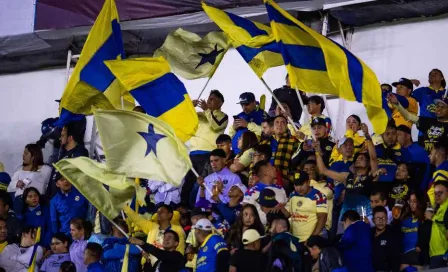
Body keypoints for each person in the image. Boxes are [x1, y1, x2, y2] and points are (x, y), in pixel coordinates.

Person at [315, 124, 380, 221]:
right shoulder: (347, 177)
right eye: (357, 158)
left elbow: (373, 158)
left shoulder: (371, 176)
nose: (358, 159)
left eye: (362, 158)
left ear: (368, 163)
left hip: (363, 212)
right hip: (345, 213)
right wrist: (317, 152)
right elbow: (324, 170)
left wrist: (367, 135)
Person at [183, 91, 229, 206]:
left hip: (208, 155)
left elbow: (216, 126)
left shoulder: (222, 116)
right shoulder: (199, 114)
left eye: (213, 99)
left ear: (220, 103)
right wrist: (190, 108)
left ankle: (204, 207)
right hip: (192, 153)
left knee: (202, 184)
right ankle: (185, 209)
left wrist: (207, 111)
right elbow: (183, 123)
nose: (209, 101)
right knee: (188, 183)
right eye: (209, 98)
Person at [47, 121, 89, 197]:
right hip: (55, 201)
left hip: (68, 202)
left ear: (70, 138)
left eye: (62, 136)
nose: (60, 138)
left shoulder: (80, 152)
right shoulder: (62, 155)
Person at [7, 144, 52, 214]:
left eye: (26, 153)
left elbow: (51, 188)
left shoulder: (46, 170)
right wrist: (16, 183)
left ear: (33, 156)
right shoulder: (19, 170)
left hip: (38, 200)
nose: (23, 155)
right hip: (21, 200)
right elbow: (9, 188)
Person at [285, 171, 328, 241]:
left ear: (308, 182)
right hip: (294, 239)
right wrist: (278, 206)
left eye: (301, 184)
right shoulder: (292, 195)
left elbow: (322, 218)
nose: (298, 188)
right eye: (296, 185)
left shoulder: (318, 196)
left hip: (310, 240)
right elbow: (287, 214)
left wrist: (312, 238)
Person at [260, 115, 300, 191]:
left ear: (286, 126)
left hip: (284, 183)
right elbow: (255, 162)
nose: (279, 124)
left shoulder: (294, 142)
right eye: (277, 122)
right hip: (263, 182)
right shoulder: (264, 143)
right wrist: (253, 176)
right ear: (273, 127)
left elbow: (297, 164)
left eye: (283, 122)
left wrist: (290, 180)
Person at [243, 161, 288, 225]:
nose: (275, 169)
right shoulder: (251, 192)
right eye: (272, 167)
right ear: (265, 172)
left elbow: (287, 209)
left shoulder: (280, 189)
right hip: (260, 230)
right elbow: (245, 214)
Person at [398, 192, 431, 270]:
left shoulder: (426, 218)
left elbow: (428, 237)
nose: (412, 204)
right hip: (404, 259)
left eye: (415, 201)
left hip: (420, 259)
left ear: (420, 202)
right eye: (410, 201)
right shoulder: (404, 218)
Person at [396, 125, 431, 190]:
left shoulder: (419, 151)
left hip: (416, 189)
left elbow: (426, 171)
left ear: (407, 136)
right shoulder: (397, 151)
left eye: (398, 135)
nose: (396, 137)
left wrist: (421, 189)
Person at [371, 206, 401, 272]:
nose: (381, 221)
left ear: (387, 219)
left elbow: (396, 258)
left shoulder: (392, 234)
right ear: (373, 220)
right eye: (378, 218)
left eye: (383, 218)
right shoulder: (369, 233)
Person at [427, 181, 448, 269]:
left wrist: (432, 218)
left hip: (444, 253)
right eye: (435, 193)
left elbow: (444, 220)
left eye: (440, 193)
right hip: (435, 254)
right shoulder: (439, 206)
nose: (437, 196)